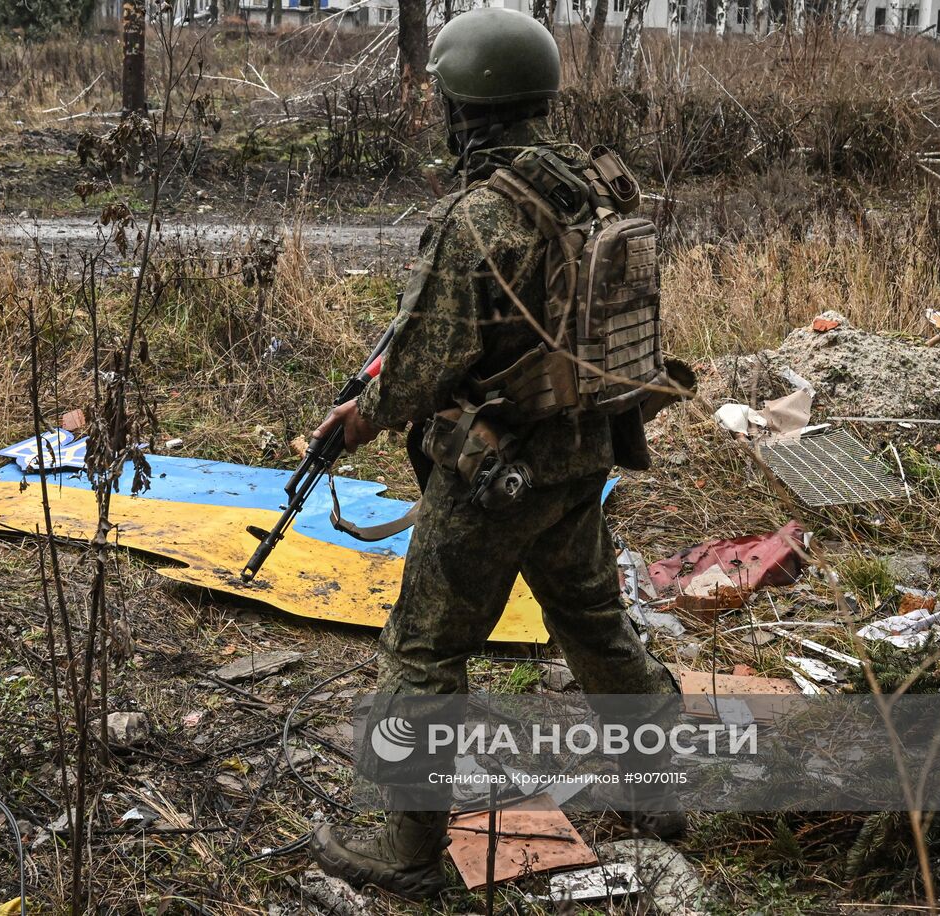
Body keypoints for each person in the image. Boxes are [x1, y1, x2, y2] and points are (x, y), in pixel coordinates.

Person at [305, 6, 693, 902]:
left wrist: (356, 418)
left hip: (497, 472)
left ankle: (406, 852)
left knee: (422, 651)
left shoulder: (479, 217)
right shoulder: (592, 186)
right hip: (584, 453)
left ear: (464, 105)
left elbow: (416, 369)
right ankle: (659, 790)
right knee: (595, 623)